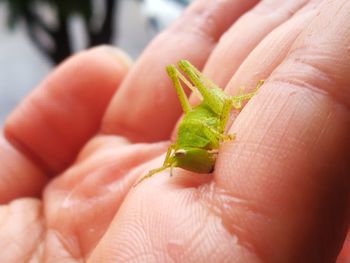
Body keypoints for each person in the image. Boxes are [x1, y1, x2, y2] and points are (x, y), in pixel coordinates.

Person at [0, 0, 349, 262]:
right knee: (218, 102)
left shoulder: (204, 126)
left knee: (220, 100)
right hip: (197, 130)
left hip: (200, 122)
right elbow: (180, 151)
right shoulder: (190, 148)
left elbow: (211, 119)